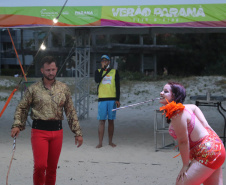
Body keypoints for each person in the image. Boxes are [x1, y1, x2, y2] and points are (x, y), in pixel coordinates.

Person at [10, 56, 83, 185]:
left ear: (56, 70)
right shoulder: (33, 89)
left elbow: (70, 111)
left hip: (57, 132)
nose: (51, 72)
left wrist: (77, 132)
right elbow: (22, 107)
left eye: (53, 69)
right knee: (40, 166)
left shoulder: (63, 88)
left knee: (52, 169)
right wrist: (17, 125)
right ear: (42, 70)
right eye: (48, 69)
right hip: (39, 131)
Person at [159, 82, 225, 185]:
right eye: (162, 90)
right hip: (215, 146)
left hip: (207, 153)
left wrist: (185, 165)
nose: (161, 93)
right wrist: (206, 126)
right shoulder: (184, 108)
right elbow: (195, 107)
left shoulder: (178, 113)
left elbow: (183, 141)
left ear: (175, 96)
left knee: (181, 183)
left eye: (166, 91)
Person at [94, 55, 120, 148]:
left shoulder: (114, 72)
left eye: (106, 60)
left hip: (112, 98)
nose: (104, 62)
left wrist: (117, 99)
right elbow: (97, 80)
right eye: (102, 61)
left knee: (111, 120)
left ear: (109, 62)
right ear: (101, 62)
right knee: (101, 121)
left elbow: (117, 86)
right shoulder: (98, 71)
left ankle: (110, 141)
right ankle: (100, 142)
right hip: (102, 98)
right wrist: (102, 70)